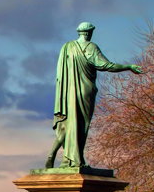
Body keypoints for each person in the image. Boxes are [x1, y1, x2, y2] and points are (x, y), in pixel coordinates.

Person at [45, 21, 143, 169]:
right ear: (90, 33)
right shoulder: (91, 47)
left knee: (68, 124)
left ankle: (58, 156)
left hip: (67, 92)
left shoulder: (67, 48)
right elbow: (106, 66)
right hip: (84, 91)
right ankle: (76, 160)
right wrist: (128, 67)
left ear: (79, 32)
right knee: (81, 125)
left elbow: (60, 74)